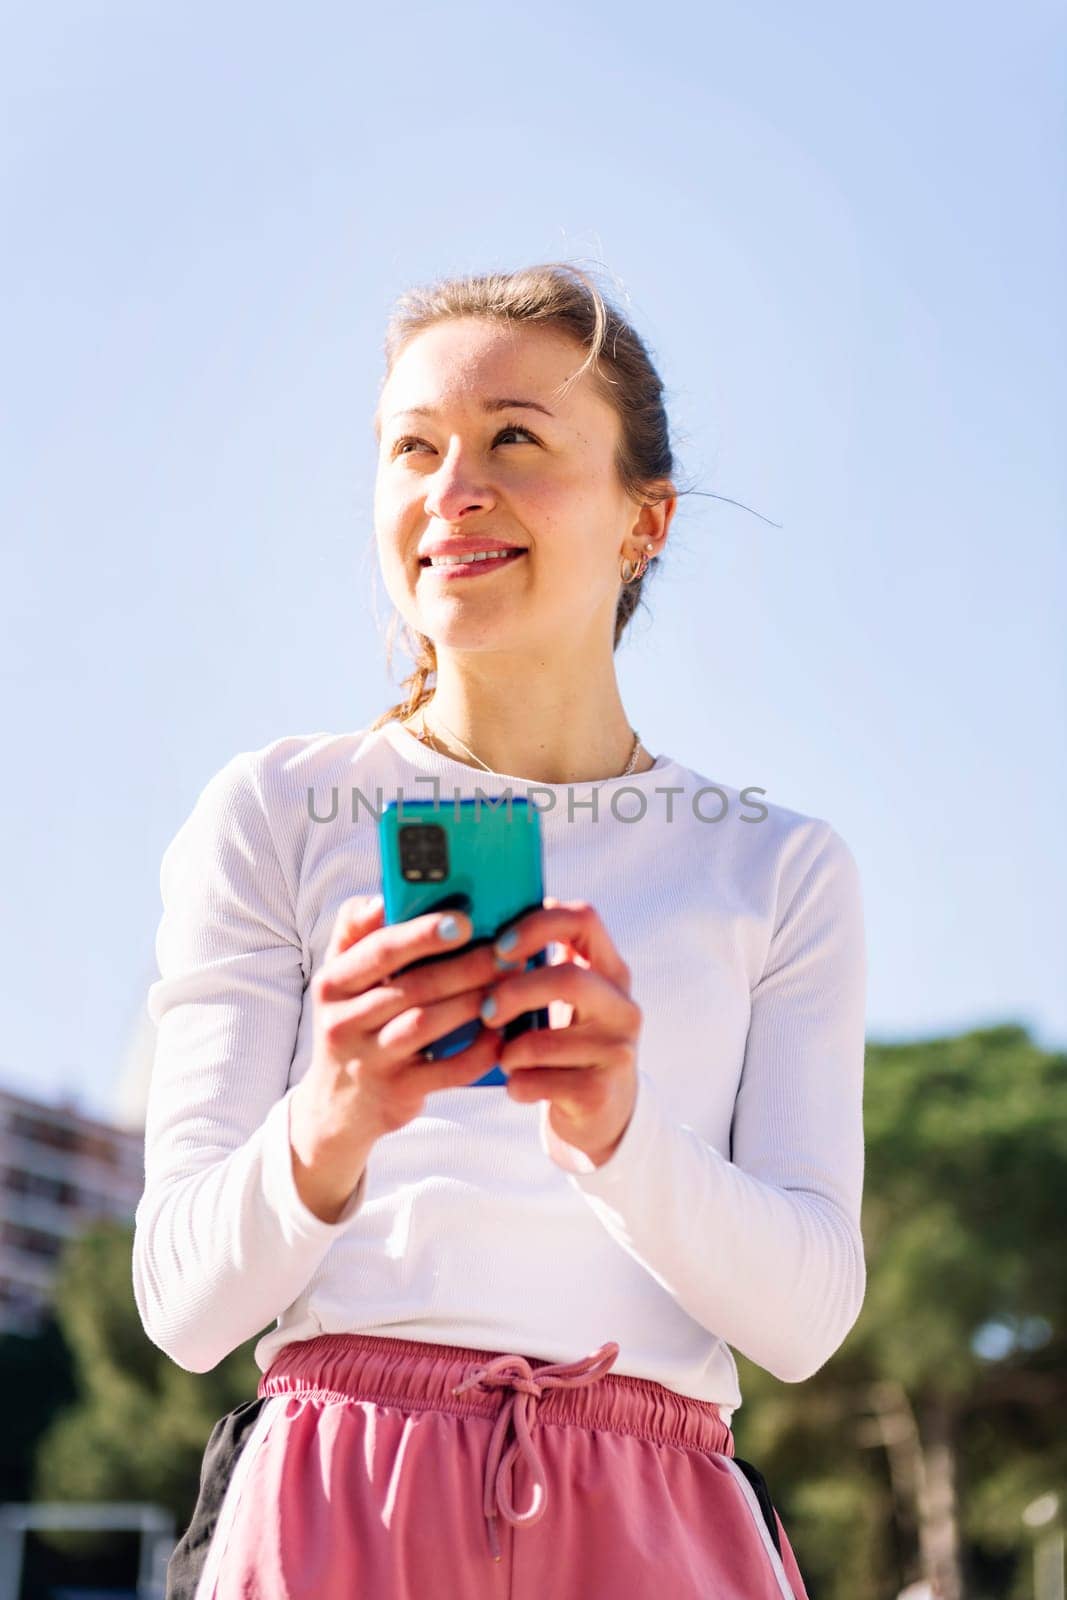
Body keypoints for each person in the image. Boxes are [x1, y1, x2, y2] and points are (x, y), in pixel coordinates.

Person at [134, 261, 868, 1600]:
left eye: (515, 440)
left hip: (661, 1523)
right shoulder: (274, 813)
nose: (450, 487)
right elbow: (183, 1309)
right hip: (332, 1505)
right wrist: (333, 1119)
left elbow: (807, 1320)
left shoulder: (776, 866)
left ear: (646, 522)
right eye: (413, 447)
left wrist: (618, 1139)